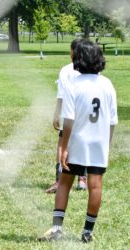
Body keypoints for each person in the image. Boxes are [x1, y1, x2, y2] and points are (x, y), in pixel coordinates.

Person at [39, 39, 118, 243]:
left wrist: (64, 147)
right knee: (95, 185)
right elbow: (112, 121)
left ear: (79, 59)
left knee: (65, 182)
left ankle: (57, 229)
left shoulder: (73, 84)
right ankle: (87, 232)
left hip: (78, 140)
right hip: (98, 142)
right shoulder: (107, 84)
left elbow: (69, 120)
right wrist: (106, 144)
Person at [45, 39, 87, 193]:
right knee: (83, 144)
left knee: (63, 144)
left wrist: (56, 114)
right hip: (85, 114)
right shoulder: (92, 69)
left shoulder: (66, 70)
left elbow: (61, 95)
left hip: (69, 113)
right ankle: (82, 179)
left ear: (73, 52)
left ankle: (59, 180)